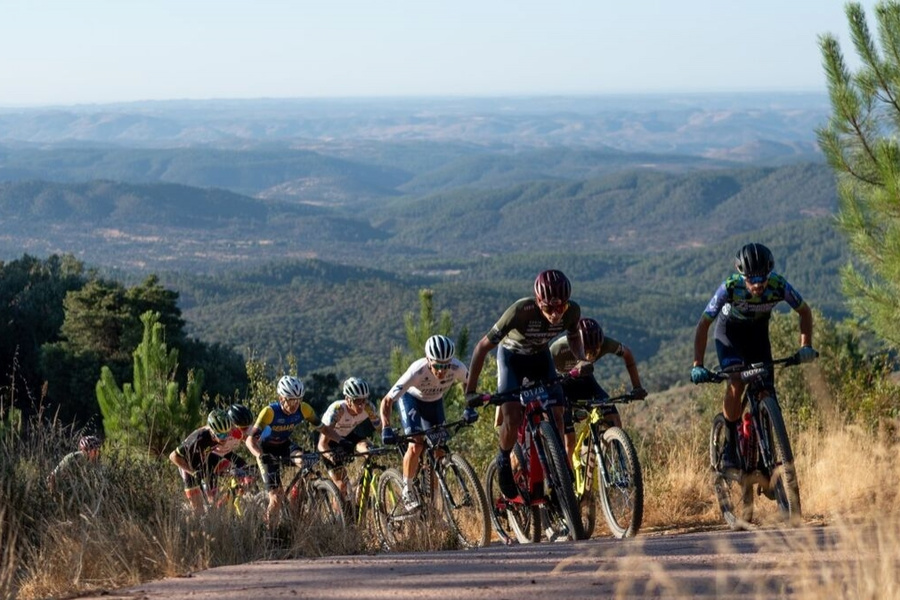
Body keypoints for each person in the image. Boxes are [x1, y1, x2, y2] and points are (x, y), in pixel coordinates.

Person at [464, 269, 592, 500]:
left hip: (540, 358)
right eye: (548, 308)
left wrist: (581, 358)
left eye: (560, 307)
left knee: (558, 410)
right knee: (512, 417)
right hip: (511, 359)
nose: (555, 314)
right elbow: (481, 347)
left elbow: (574, 336)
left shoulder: (572, 311)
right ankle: (503, 459)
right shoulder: (520, 311)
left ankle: (559, 467)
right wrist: (470, 392)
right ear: (537, 301)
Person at [690, 242, 816, 469]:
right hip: (730, 334)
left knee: (767, 389)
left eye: (762, 278)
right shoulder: (730, 287)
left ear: (770, 273)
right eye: (752, 279)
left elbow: (804, 311)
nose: (758, 285)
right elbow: (703, 324)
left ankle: (764, 451)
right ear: (742, 275)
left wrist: (805, 345)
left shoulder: (778, 284)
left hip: (758, 335)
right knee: (736, 383)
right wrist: (697, 363)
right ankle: (729, 445)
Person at [379, 334, 475, 510]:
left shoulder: (457, 367)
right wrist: (386, 427)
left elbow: (469, 383)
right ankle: (407, 491)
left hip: (434, 402)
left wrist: (469, 407)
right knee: (416, 445)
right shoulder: (417, 371)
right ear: (428, 360)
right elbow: (387, 401)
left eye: (446, 365)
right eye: (437, 365)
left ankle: (433, 504)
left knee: (439, 451)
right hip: (412, 399)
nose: (442, 370)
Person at [245, 375, 350, 527]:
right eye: (291, 400)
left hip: (285, 445)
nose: (295, 405)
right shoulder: (269, 412)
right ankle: (268, 532)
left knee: (305, 461)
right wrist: (261, 456)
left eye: (298, 399)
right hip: (266, 450)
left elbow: (323, 429)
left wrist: (341, 440)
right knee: (276, 497)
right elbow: (250, 440)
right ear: (281, 398)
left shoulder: (304, 409)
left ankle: (296, 502)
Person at [550, 317, 648, 462]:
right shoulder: (558, 348)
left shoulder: (605, 344)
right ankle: (566, 480)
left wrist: (637, 387)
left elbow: (627, 354)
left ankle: (616, 463)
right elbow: (543, 371)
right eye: (587, 351)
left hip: (586, 380)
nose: (592, 355)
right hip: (561, 384)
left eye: (596, 350)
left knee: (612, 416)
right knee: (569, 441)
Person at [317, 377, 382, 503]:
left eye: (364, 400)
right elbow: (321, 444)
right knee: (342, 486)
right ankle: (339, 518)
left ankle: (360, 492)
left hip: (348, 436)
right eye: (357, 401)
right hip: (330, 442)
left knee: (367, 447)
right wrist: (332, 457)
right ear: (348, 399)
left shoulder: (368, 407)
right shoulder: (337, 410)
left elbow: (380, 428)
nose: (362, 405)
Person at [169, 409, 235, 515]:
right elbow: (173, 456)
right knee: (198, 511)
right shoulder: (198, 438)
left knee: (232, 469)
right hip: (188, 466)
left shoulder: (222, 432)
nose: (225, 438)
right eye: (222, 436)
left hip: (204, 459)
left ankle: (216, 507)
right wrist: (192, 472)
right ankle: (193, 525)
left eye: (227, 434)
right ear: (212, 432)